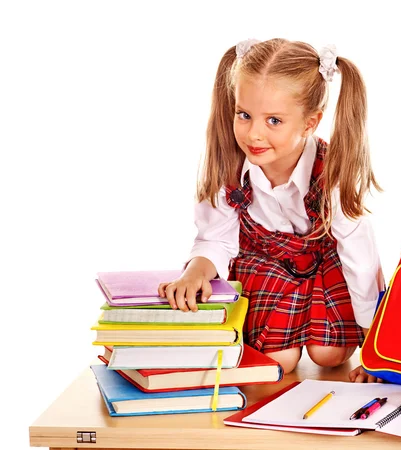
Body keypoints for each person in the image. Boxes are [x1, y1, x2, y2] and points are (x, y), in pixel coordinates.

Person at [158, 38, 385, 382]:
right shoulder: (227, 167)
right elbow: (215, 240)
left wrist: (374, 348)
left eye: (274, 121)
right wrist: (195, 272)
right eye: (245, 115)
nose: (254, 134)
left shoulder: (333, 172)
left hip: (325, 264)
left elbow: (360, 259)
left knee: (329, 355)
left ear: (310, 123)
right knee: (278, 362)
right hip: (264, 264)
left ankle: (329, 333)